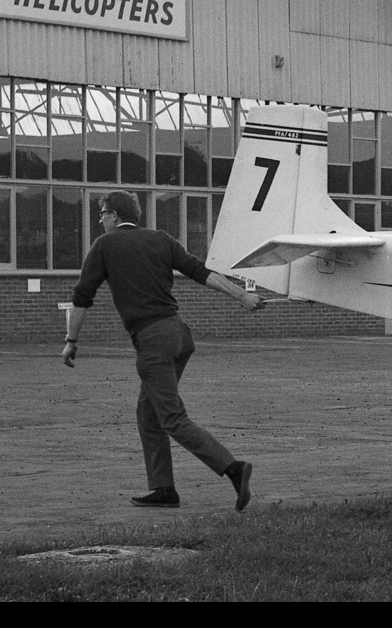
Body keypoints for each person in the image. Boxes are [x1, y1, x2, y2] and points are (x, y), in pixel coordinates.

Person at [63, 190, 264, 511]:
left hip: (153, 341)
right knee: (148, 414)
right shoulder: (160, 239)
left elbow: (82, 296)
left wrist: (71, 341)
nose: (100, 219)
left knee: (172, 418)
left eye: (101, 213)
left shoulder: (105, 245)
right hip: (178, 335)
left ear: (114, 215)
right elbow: (200, 271)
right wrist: (241, 295)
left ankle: (233, 468)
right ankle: (163, 489)